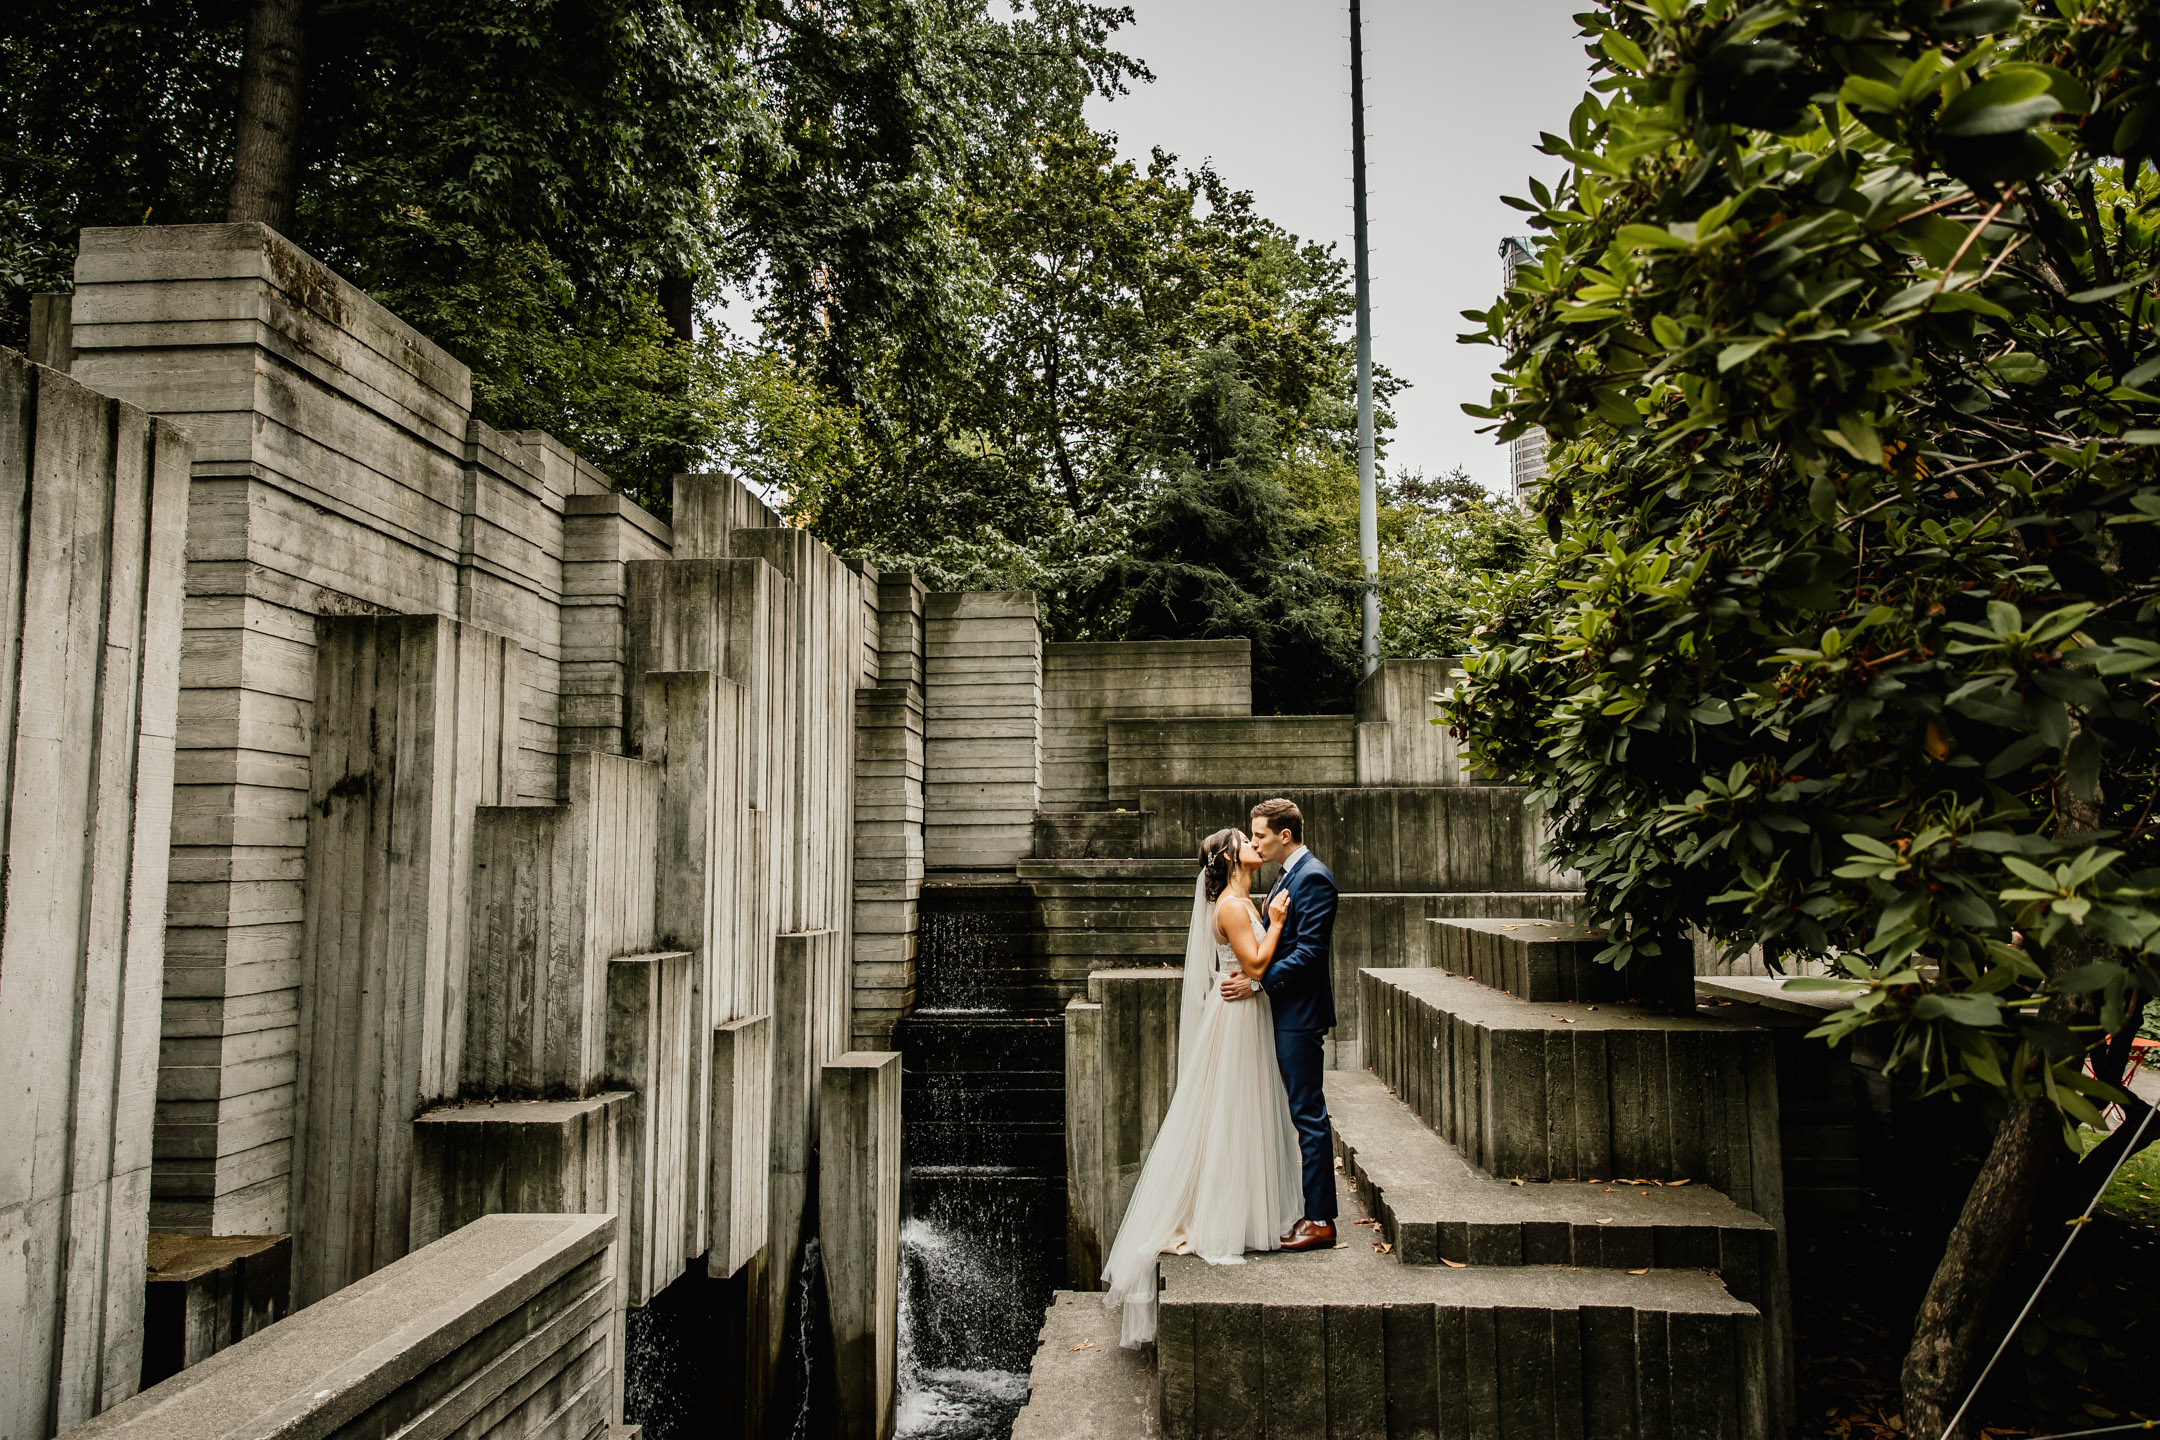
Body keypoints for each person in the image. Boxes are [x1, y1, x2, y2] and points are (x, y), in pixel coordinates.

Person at [1098, 827, 1303, 1347]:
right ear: (1230, 857)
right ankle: (1215, 1216)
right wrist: (1276, 924)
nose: (1255, 844)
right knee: (1228, 1110)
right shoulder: (1234, 907)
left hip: (1246, 1012)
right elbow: (1255, 964)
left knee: (1242, 1111)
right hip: (1235, 1019)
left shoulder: (1242, 898)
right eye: (1246, 840)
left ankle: (1242, 1209)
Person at [1220, 798, 1339, 1251]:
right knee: (1298, 1112)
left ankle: (1321, 1220)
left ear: (1284, 835)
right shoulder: (1286, 877)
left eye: (1261, 836)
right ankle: (1305, 1211)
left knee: (1308, 1114)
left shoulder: (1315, 879)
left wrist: (1258, 985)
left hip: (1299, 1015)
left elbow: (1310, 953)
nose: (1255, 843)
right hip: (1283, 1012)